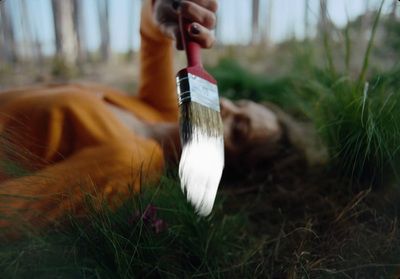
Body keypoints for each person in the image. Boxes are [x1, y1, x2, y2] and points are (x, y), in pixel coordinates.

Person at [0, 0, 296, 234]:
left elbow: (13, 211)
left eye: (238, 130)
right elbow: (153, 35)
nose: (227, 108)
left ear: (224, 167)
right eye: (241, 104)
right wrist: (164, 12)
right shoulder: (161, 110)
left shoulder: (127, 166)